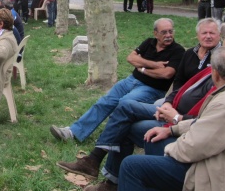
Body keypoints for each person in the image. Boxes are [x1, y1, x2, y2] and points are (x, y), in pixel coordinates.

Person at [61, 18, 221, 191]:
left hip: (177, 112)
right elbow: (177, 83)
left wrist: (176, 116)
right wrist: (168, 101)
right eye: (204, 33)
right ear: (197, 35)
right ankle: (105, 176)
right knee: (108, 103)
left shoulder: (219, 60)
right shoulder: (189, 53)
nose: (208, 36)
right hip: (164, 103)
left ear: (219, 35)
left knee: (125, 106)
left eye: (212, 33)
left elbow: (167, 74)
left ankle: (96, 161)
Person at [117, 46, 225, 191]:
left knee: (131, 166)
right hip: (211, 156)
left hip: (215, 172)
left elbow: (195, 147)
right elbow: (203, 123)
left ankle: (103, 168)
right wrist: (171, 130)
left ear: (215, 73)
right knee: (151, 137)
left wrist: (169, 149)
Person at [50, 18, 185, 144]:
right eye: (164, 32)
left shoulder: (177, 51)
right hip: (131, 80)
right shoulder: (149, 42)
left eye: (170, 31)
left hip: (151, 89)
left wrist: (142, 69)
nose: (168, 35)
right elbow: (131, 58)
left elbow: (166, 74)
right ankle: (72, 132)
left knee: (124, 103)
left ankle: (106, 142)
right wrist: (155, 65)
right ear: (155, 33)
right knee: (105, 101)